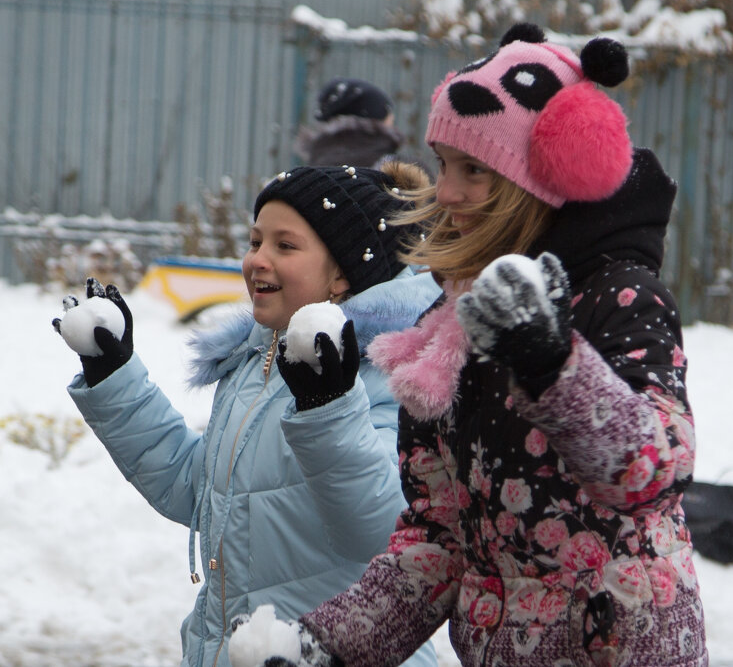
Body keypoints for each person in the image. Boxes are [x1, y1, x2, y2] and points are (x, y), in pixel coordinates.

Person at [225, 22, 707, 667]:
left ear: (542, 180)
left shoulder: (617, 296)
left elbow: (656, 470)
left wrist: (552, 362)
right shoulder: (448, 323)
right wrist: (323, 649)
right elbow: (438, 539)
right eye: (443, 164)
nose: (445, 192)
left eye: (473, 170)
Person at [53, 164, 442, 667]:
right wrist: (114, 374)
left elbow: (386, 530)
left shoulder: (385, 373)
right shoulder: (259, 358)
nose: (257, 259)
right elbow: (198, 489)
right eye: (255, 240)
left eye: (285, 246)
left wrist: (330, 408)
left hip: (331, 653)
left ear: (343, 272)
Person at [293, 77, 405, 168]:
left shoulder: (310, 172)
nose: (393, 126)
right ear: (376, 127)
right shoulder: (390, 169)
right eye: (389, 119)